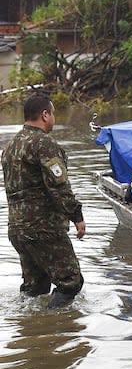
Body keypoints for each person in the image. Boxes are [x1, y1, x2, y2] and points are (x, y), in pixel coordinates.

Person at [1, 93, 86, 309]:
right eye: (54, 113)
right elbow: (59, 186)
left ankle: (31, 332)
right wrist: (77, 216)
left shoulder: (10, 147)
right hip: (43, 228)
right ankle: (54, 329)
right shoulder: (43, 143)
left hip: (18, 229)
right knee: (71, 282)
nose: (54, 119)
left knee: (35, 287)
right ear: (45, 115)